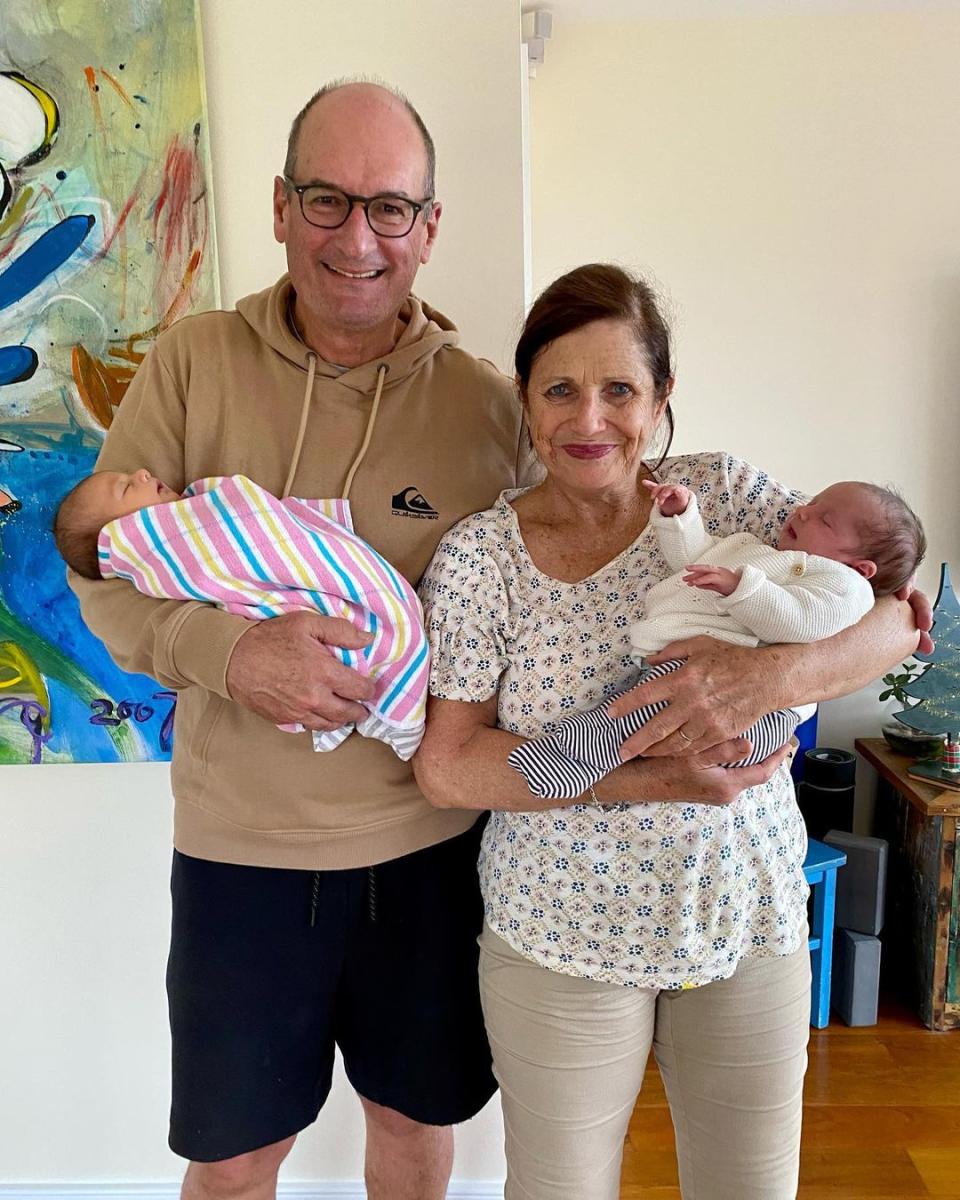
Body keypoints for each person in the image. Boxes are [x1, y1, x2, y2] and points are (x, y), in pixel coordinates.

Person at [68, 80, 543, 1200]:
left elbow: (570, 582)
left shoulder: (486, 410)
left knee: (417, 1127)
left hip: (433, 851)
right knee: (235, 1159)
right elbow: (102, 579)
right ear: (281, 208)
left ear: (429, 229)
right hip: (242, 855)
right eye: (327, 200)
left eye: (390, 208)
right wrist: (233, 654)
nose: (356, 238)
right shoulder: (191, 365)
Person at [413, 262, 928, 1200]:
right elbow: (447, 769)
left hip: (747, 914)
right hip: (561, 936)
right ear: (524, 400)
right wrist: (650, 772)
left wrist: (758, 678)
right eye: (559, 390)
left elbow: (891, 611)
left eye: (620, 389)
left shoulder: (725, 494)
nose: (588, 419)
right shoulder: (482, 556)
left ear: (661, 401)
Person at [508, 475, 926, 799]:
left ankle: (567, 759)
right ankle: (591, 766)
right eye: (812, 503)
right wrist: (681, 518)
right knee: (647, 716)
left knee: (625, 720)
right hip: (686, 670)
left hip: (738, 693)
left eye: (824, 518)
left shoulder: (841, 585)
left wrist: (742, 588)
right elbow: (695, 559)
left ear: (862, 568)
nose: (802, 511)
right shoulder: (759, 551)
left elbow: (800, 623)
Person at [54, 468, 430, 759]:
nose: (142, 473)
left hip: (417, 819)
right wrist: (231, 652)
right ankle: (391, 687)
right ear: (120, 536)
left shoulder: (468, 393)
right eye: (125, 487)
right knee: (368, 635)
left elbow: (275, 531)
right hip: (236, 814)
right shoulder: (154, 544)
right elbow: (103, 590)